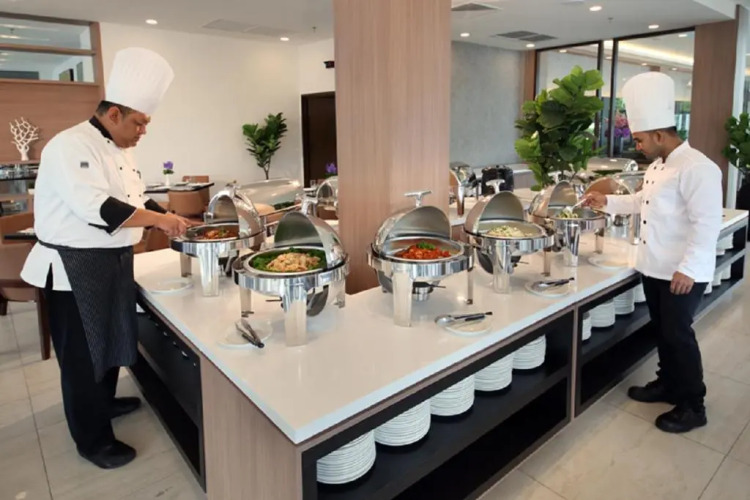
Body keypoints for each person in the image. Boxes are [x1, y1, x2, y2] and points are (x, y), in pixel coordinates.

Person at [21, 47, 192, 469]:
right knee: (82, 358)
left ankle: (105, 403)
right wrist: (161, 220)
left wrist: (170, 217)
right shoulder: (69, 145)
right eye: (139, 122)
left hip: (112, 261)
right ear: (114, 114)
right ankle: (92, 440)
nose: (143, 131)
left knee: (112, 338)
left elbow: (134, 198)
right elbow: (99, 208)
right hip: (73, 268)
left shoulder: (120, 149)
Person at [584, 72, 723, 434]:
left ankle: (693, 405)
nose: (638, 146)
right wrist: (606, 201)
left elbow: (707, 223)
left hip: (681, 272)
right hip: (655, 266)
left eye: (641, 139)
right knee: (662, 331)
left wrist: (688, 269)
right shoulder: (659, 166)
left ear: (660, 135)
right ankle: (668, 384)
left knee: (679, 336)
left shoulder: (698, 168)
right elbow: (641, 202)